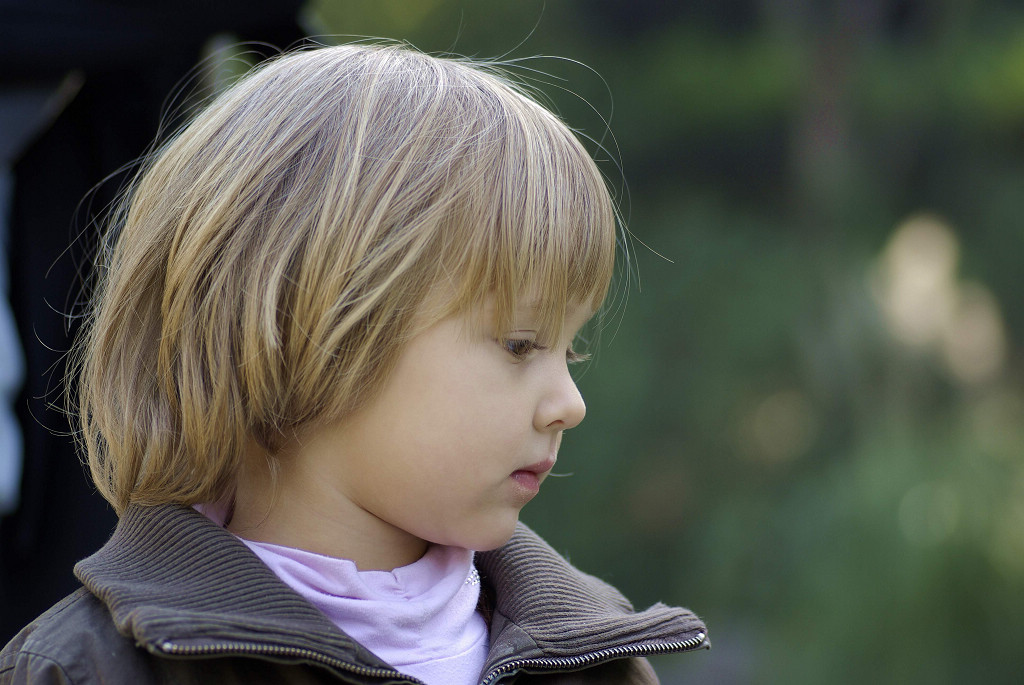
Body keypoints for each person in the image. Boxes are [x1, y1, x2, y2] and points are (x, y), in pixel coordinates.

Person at [0, 43, 707, 684]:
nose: (570, 403)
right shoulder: (87, 668)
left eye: (571, 347)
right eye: (521, 344)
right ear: (303, 324)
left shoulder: (596, 658)